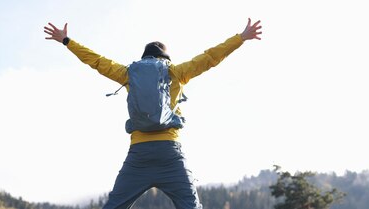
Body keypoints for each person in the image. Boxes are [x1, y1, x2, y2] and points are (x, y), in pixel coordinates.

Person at [44, 18, 262, 209]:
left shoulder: (129, 73)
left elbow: (97, 61)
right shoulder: (176, 72)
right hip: (170, 154)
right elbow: (210, 57)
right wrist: (241, 37)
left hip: (138, 155)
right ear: (165, 58)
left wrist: (67, 41)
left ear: (143, 59)